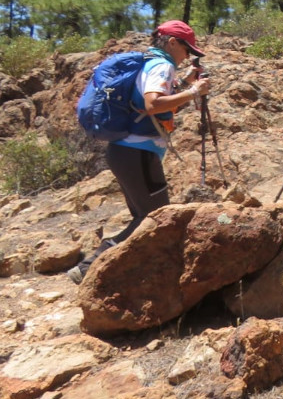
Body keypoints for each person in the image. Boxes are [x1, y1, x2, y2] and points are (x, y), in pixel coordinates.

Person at [68, 20, 211, 284]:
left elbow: (145, 103)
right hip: (138, 153)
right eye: (186, 49)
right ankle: (92, 267)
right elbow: (153, 103)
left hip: (125, 152)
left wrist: (182, 85)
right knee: (155, 218)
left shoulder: (149, 62)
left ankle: (119, 272)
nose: (188, 55)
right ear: (171, 42)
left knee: (144, 217)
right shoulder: (162, 65)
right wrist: (193, 91)